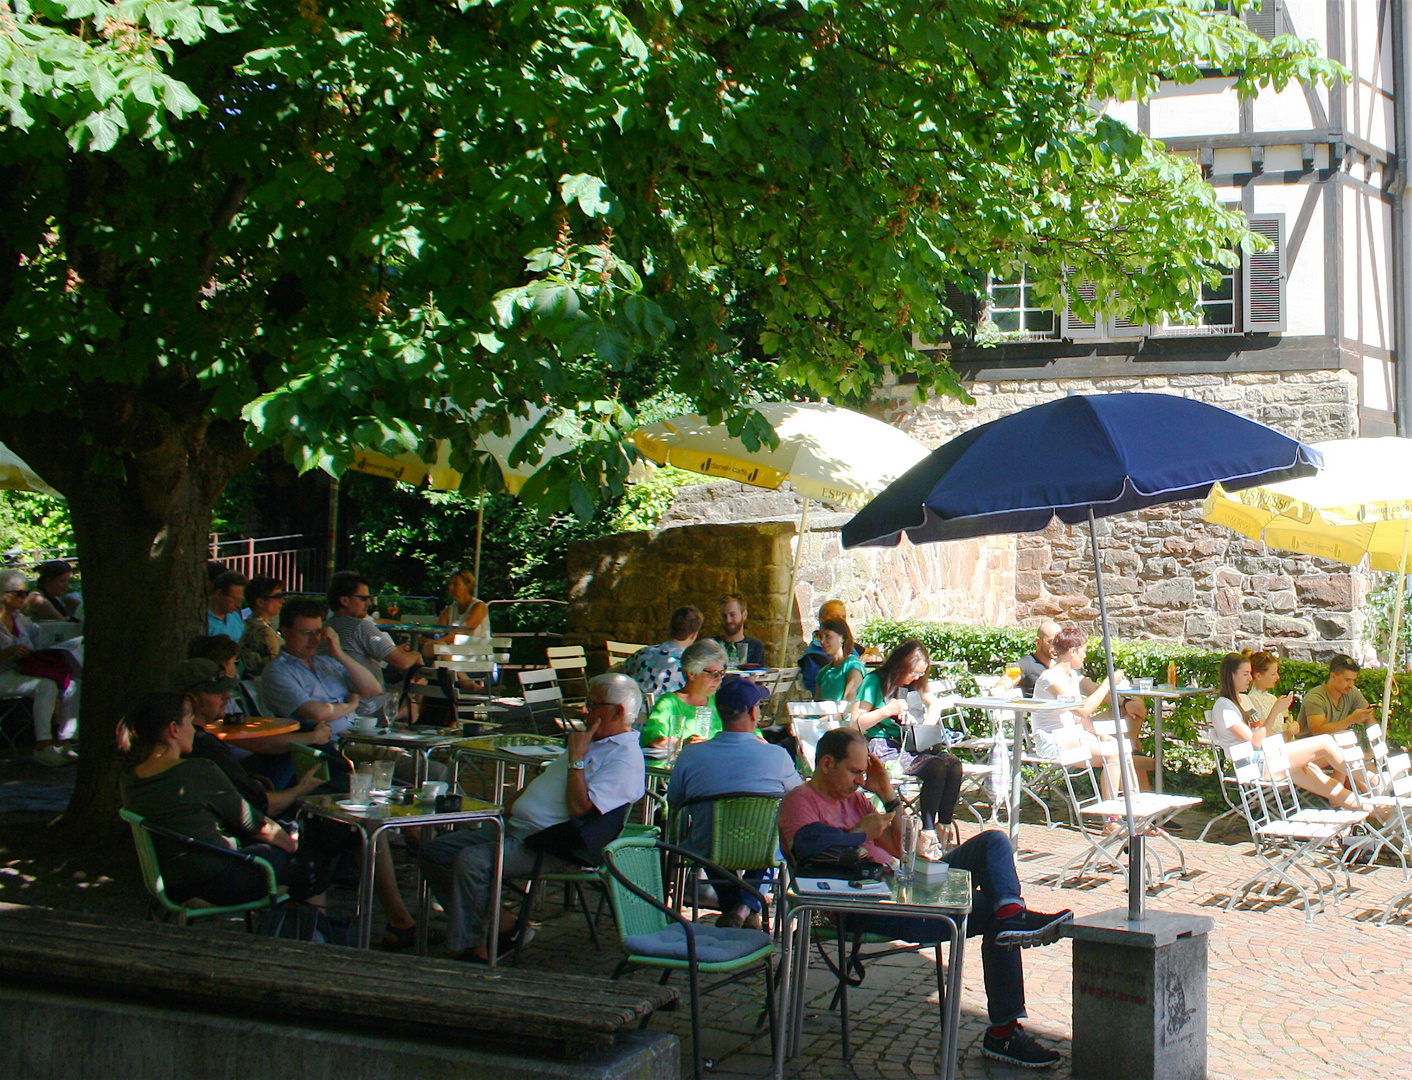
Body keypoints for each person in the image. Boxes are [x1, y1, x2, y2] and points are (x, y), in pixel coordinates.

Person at [777, 727, 1070, 1069]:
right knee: (994, 918)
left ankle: (1011, 912)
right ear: (827, 763)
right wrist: (859, 833)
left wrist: (886, 793)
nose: (860, 780)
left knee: (993, 843)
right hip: (866, 904)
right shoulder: (800, 800)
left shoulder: (855, 798)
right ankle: (1003, 1031)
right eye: (855, 771)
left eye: (863, 772)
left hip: (904, 882)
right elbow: (805, 847)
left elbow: (901, 849)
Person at [419, 673, 646, 961]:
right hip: (518, 829)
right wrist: (507, 809)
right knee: (435, 852)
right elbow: (545, 781)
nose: (584, 710)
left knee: (473, 862)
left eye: (592, 703)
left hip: (551, 844)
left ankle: (476, 947)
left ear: (618, 712)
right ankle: (506, 925)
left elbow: (580, 808)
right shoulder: (593, 740)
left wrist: (576, 757)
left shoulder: (625, 757)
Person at [117, 692, 339, 907]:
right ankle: (314, 936)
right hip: (219, 880)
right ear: (174, 729)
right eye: (190, 722)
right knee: (312, 863)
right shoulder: (197, 770)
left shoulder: (130, 776)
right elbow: (256, 824)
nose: (194, 731)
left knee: (289, 857)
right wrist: (289, 843)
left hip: (170, 880)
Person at [667, 675, 802, 929]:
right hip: (761, 850)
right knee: (772, 842)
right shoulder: (777, 756)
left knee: (714, 839)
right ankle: (742, 909)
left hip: (706, 849)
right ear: (753, 712)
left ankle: (737, 910)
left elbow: (674, 801)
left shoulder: (691, 754)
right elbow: (799, 798)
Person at [850, 639, 964, 857]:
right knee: (937, 767)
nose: (916, 678)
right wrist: (886, 711)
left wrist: (923, 727)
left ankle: (944, 827)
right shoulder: (874, 682)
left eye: (921, 674)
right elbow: (855, 722)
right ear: (901, 665)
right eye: (913, 673)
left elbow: (935, 704)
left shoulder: (914, 684)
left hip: (910, 743)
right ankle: (928, 832)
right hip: (883, 746)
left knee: (954, 764)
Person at [1210, 652, 1363, 810]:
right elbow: (1256, 741)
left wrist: (1284, 730)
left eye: (1250, 673)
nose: (1250, 678)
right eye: (1245, 674)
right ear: (1231, 675)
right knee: (1325, 742)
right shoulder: (1224, 707)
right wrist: (1275, 711)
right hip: (1256, 766)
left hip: (1269, 758)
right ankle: (1370, 779)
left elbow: (1263, 733)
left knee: (1330, 786)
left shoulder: (1244, 700)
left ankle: (1382, 813)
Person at [1032, 627, 1151, 794]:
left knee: (1120, 751)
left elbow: (1080, 717)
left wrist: (1102, 734)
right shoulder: (1050, 678)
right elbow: (1082, 711)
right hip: (1053, 741)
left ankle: (1134, 806)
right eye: (1084, 651)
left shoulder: (1073, 676)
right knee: (1114, 754)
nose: (1085, 656)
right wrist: (1107, 684)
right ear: (1073, 651)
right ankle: (1112, 817)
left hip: (1074, 733)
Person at [261, 598, 383, 734]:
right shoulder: (278, 671)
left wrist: (340, 653)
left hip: (358, 736)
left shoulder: (326, 662)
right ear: (286, 632)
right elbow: (318, 713)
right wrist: (352, 705)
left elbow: (373, 689)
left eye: (318, 632)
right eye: (306, 633)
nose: (314, 639)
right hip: (327, 746)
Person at [0, 569, 80, 767]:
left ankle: (64, 742)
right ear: (3, 595)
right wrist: (9, 651)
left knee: (73, 684)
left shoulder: (21, 620)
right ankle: (43, 745)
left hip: (22, 672)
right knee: (45, 686)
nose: (24, 598)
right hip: (3, 674)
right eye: (19, 594)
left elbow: (41, 638)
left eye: (26, 593)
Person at [325, 571, 420, 715]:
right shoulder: (360, 627)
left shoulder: (327, 627)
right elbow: (402, 662)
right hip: (369, 706)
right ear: (344, 600)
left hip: (337, 702)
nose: (368, 603)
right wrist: (416, 654)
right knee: (420, 691)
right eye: (363, 598)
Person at [640, 639, 726, 749]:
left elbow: (747, 732)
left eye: (721, 673)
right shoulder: (669, 703)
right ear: (691, 674)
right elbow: (651, 738)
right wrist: (681, 743)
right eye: (713, 674)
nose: (719, 680)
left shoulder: (721, 701)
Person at [622, 605, 702, 697]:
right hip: (668, 710)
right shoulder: (690, 666)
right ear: (694, 635)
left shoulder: (644, 652)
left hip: (637, 708)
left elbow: (615, 671)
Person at [1297, 654, 1376, 736]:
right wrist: (1351, 720)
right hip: (1310, 746)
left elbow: (1368, 716)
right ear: (1333, 676)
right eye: (1347, 680)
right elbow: (1318, 731)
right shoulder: (1315, 698)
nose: (1351, 685)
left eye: (1354, 680)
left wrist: (1374, 746)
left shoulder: (1351, 691)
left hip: (1335, 743)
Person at [422, 569, 490, 658]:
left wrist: (432, 642)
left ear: (467, 586)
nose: (450, 587)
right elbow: (438, 632)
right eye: (450, 584)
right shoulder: (450, 609)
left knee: (435, 647)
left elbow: (464, 631)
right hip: (453, 653)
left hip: (474, 656)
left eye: (455, 584)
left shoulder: (479, 606)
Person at [798, 600, 854, 694]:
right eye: (836, 616)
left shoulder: (853, 664)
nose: (841, 621)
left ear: (842, 638)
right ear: (822, 619)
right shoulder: (814, 658)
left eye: (843, 617)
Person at [1245, 651, 1300, 738]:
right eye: (1273, 674)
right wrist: (1289, 732)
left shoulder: (1272, 698)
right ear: (1258, 676)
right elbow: (1262, 737)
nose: (1277, 677)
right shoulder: (1251, 701)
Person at [998, 620, 1059, 696]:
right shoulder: (1026, 664)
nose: (1057, 646)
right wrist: (1000, 688)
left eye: (1059, 642)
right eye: (1051, 642)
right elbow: (1008, 678)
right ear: (1038, 642)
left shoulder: (1060, 665)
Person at [239, 576, 286, 675]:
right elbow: (277, 667)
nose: (282, 601)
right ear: (260, 602)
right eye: (277, 597)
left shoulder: (247, 625)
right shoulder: (264, 632)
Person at [814, 617, 866, 702]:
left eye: (828, 636)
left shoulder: (852, 667)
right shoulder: (823, 673)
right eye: (820, 637)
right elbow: (817, 705)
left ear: (843, 638)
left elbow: (847, 708)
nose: (822, 641)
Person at [713, 593, 765, 668]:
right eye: (724, 616)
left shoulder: (755, 646)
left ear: (744, 615)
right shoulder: (712, 645)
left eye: (732, 615)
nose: (728, 620)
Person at [207, 570, 247, 639]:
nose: (238, 605)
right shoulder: (203, 621)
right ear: (219, 594)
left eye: (240, 601)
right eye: (235, 599)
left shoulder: (234, 616)